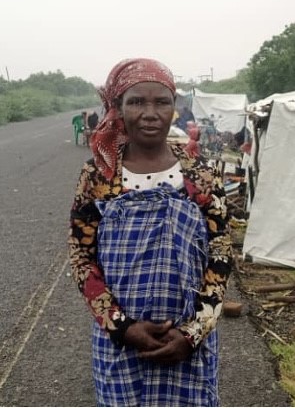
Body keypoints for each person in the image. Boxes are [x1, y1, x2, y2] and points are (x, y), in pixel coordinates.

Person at [68, 58, 233, 406]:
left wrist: (192, 333)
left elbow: (221, 255)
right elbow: (82, 257)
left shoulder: (200, 176)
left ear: (174, 108)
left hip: (187, 344)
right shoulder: (99, 176)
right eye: (136, 101)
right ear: (117, 108)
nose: (150, 112)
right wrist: (122, 327)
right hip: (122, 344)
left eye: (161, 101)